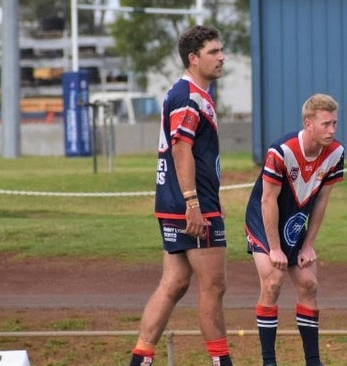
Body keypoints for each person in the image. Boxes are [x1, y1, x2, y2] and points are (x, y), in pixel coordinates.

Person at [128, 25, 233, 366]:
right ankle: (222, 362)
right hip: (190, 205)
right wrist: (194, 203)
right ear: (193, 58)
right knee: (213, 287)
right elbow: (181, 148)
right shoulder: (189, 96)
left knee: (173, 283)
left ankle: (140, 359)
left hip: (173, 203)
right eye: (213, 52)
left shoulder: (190, 92)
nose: (221, 57)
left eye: (221, 50)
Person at [244, 93, 344, 366]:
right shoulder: (282, 151)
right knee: (273, 281)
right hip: (264, 219)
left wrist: (308, 243)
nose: (332, 130)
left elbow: (322, 199)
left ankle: (313, 361)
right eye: (326, 124)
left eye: (335, 123)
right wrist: (275, 248)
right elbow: (267, 200)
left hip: (296, 221)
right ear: (308, 123)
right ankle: (269, 361)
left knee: (309, 284)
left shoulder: (335, 152)